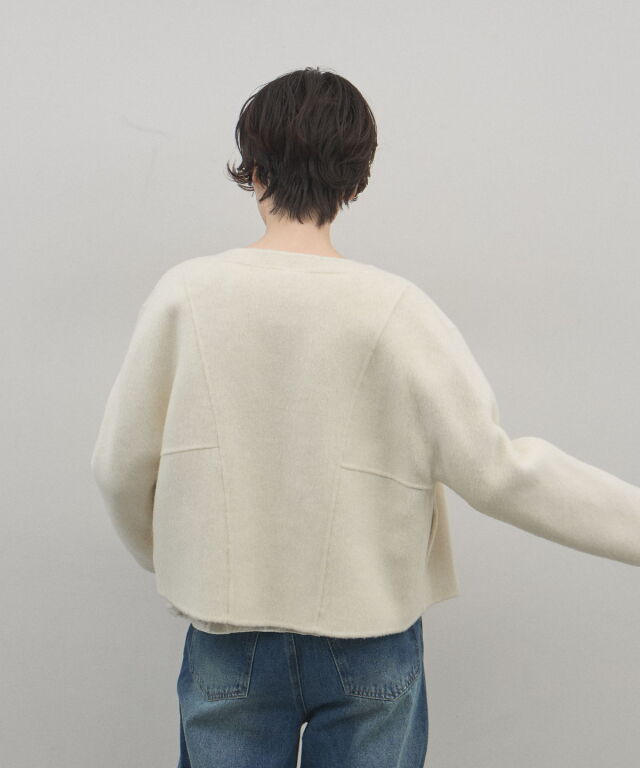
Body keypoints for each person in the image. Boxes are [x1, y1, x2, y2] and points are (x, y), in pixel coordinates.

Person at [90, 67, 640, 768]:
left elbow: (116, 470)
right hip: (369, 635)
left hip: (229, 633)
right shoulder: (398, 310)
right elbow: (499, 471)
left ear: (253, 170)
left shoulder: (185, 296)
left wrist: (177, 560)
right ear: (355, 181)